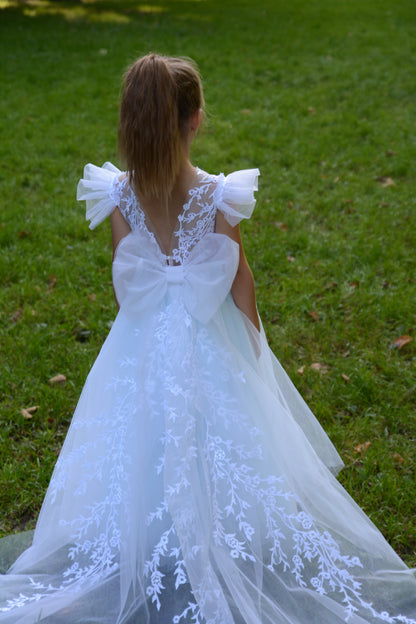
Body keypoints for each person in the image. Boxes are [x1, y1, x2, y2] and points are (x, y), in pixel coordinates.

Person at [0, 53, 415, 624]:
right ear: (195, 120)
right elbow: (241, 280)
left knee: (139, 438)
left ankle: (154, 535)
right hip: (209, 336)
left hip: (141, 340)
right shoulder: (220, 194)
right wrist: (255, 355)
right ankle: (217, 537)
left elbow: (127, 284)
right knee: (224, 437)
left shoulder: (118, 196)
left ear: (131, 123)